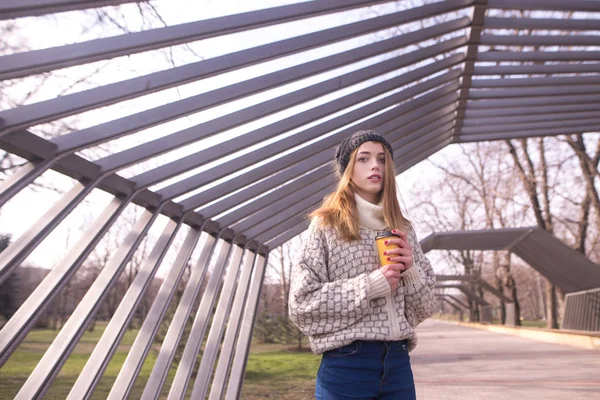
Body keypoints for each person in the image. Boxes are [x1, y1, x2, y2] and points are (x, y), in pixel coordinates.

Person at [288, 130, 437, 399]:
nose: (375, 166)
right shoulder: (326, 226)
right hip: (346, 365)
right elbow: (301, 304)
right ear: (348, 170)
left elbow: (424, 308)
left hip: (398, 366)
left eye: (382, 159)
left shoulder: (405, 229)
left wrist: (411, 272)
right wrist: (369, 286)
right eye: (364, 159)